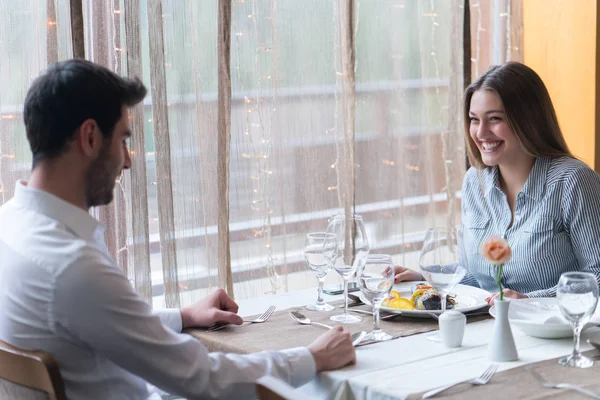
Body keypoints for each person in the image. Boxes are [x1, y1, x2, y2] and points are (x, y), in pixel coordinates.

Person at [0, 59, 355, 399]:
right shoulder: (73, 267)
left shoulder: (11, 227)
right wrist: (313, 358)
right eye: (123, 140)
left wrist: (182, 317)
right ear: (90, 137)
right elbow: (204, 378)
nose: (127, 160)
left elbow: (87, 315)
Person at [394, 61, 600, 305]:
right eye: (474, 119)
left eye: (494, 119)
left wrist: (530, 300)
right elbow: (479, 276)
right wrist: (426, 277)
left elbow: (596, 277)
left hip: (554, 334)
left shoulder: (573, 181)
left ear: (527, 121)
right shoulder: (474, 182)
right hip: (489, 327)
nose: (481, 133)